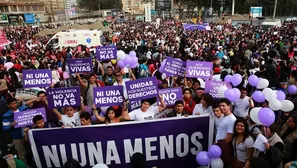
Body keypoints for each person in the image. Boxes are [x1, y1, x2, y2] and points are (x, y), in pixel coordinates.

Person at [2, 98, 28, 165]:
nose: (15, 105)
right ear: (8, 105)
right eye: (12, 104)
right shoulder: (6, 115)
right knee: (21, 153)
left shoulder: (23, 109)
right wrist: (11, 124)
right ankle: (24, 165)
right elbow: (5, 128)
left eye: (15, 103)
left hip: (27, 133)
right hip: (17, 136)